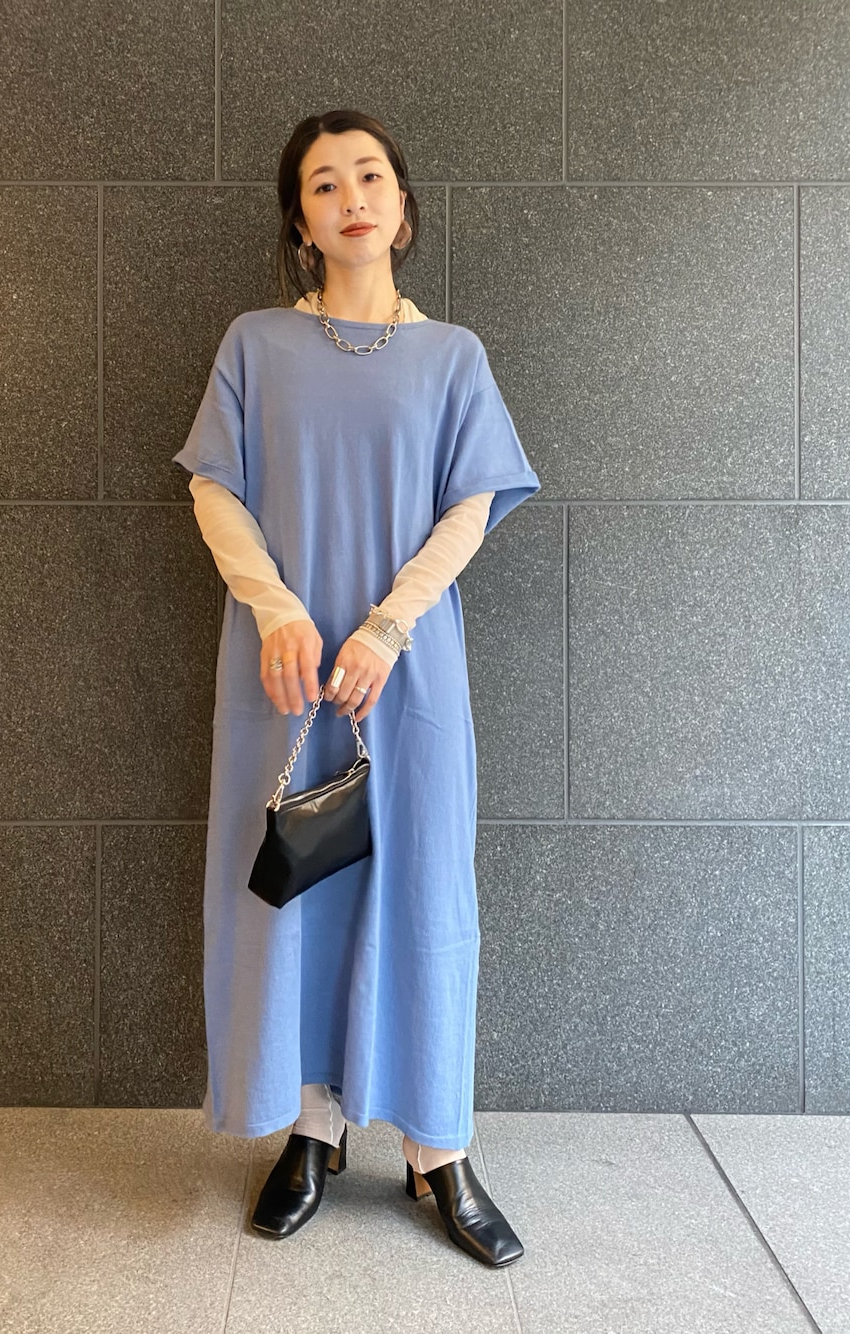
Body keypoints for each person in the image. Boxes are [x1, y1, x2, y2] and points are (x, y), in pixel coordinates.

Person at [173, 109, 541, 1269]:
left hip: (406, 669)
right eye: (324, 183)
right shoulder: (256, 343)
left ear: (403, 206)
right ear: (300, 219)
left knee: (424, 891)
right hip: (283, 672)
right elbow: (214, 487)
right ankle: (311, 1125)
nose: (351, 198)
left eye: (369, 175)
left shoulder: (453, 356)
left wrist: (386, 623)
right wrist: (276, 606)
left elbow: (469, 506)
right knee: (296, 888)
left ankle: (439, 1147)